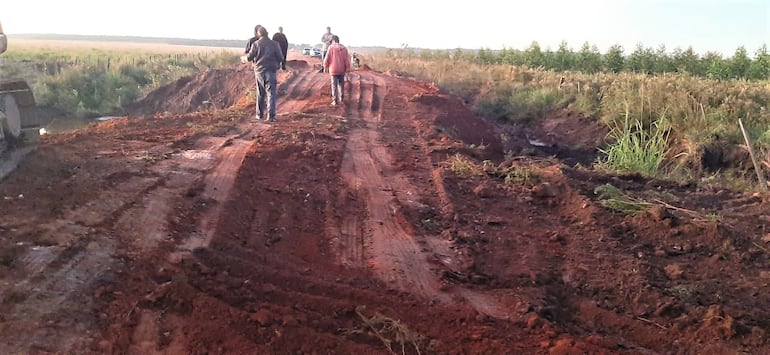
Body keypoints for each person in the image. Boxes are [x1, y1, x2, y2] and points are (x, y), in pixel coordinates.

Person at [246, 26, 283, 122]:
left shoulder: (255, 44)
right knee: (271, 93)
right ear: (267, 33)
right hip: (271, 70)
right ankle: (271, 116)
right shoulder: (275, 44)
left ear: (259, 34)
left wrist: (244, 59)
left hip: (259, 71)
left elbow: (249, 57)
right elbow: (280, 57)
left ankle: (259, 114)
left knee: (260, 93)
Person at [322, 35, 351, 106]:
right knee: (341, 84)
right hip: (341, 70)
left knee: (334, 85)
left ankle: (335, 100)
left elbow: (327, 59)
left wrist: (325, 67)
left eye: (331, 41)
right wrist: (347, 69)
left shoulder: (331, 48)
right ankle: (341, 98)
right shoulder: (344, 48)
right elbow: (347, 60)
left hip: (333, 69)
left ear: (333, 41)